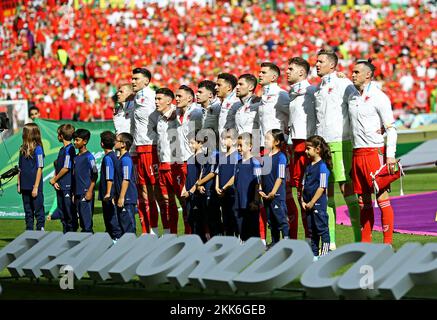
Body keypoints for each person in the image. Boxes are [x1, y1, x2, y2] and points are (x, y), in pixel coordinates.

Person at [314, 49, 362, 248]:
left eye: (321, 61)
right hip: (322, 146)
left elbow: (359, 100)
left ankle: (360, 239)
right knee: (326, 193)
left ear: (332, 65)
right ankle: (331, 241)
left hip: (341, 143)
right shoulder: (318, 89)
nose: (316, 64)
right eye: (316, 61)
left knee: (346, 190)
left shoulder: (343, 83)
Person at [350, 60, 398, 244]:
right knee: (363, 201)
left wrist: (390, 156)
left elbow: (391, 128)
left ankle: (387, 244)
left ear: (368, 75)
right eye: (352, 72)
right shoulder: (352, 96)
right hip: (357, 153)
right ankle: (366, 244)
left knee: (382, 197)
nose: (352, 75)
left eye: (356, 72)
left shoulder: (379, 97)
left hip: (374, 152)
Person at [258, 62, 290, 244]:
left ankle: (288, 237)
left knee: (283, 195)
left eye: (263, 72)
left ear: (273, 77)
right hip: (265, 150)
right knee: (267, 198)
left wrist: (286, 138)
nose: (259, 75)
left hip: (279, 148)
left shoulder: (281, 95)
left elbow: (292, 117)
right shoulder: (263, 96)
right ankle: (275, 239)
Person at [286, 56, 317, 240]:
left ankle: (319, 239)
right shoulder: (291, 94)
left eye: (291, 69)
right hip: (294, 147)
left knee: (312, 194)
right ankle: (307, 237)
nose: (287, 72)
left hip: (308, 146)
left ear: (301, 72)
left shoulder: (312, 91)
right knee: (300, 195)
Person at [131, 67, 161, 235]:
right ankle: (149, 230)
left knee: (157, 192)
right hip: (139, 149)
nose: (133, 81)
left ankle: (161, 230)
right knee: (143, 192)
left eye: (136, 78)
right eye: (132, 78)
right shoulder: (137, 96)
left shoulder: (151, 97)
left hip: (151, 147)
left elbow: (158, 119)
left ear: (147, 81)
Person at [175, 84, 203, 234]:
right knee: (187, 201)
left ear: (190, 98)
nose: (176, 98)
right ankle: (191, 233)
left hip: (194, 160)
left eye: (180, 96)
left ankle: (203, 234)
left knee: (196, 199)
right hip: (183, 160)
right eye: (176, 96)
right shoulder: (178, 114)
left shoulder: (196, 113)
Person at [155, 88, 182, 234]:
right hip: (163, 163)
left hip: (176, 164)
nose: (156, 102)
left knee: (183, 200)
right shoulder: (159, 117)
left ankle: (191, 235)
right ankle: (170, 234)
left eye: (159, 99)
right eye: (156, 99)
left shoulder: (177, 114)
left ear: (168, 100)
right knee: (167, 202)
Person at [301, 135, 332, 261]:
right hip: (307, 205)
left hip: (317, 204)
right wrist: (303, 201)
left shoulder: (322, 167)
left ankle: (325, 254)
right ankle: (314, 255)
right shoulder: (308, 166)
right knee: (312, 230)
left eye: (308, 148)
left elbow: (322, 187)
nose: (305, 151)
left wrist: (313, 202)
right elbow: (304, 184)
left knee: (321, 229)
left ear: (317, 149)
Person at [259, 129, 290, 245]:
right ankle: (275, 243)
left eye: (268, 139)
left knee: (281, 219)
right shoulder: (265, 157)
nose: (265, 141)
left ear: (276, 142)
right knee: (271, 221)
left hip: (276, 195)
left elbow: (280, 177)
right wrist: (261, 189)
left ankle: (287, 242)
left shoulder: (281, 157)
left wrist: (273, 192)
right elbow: (262, 176)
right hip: (266, 195)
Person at [49, 124, 78, 232]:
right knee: (62, 212)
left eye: (58, 134)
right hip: (60, 185)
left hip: (68, 185)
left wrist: (55, 179)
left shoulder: (69, 149)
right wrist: (56, 180)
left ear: (61, 136)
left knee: (69, 211)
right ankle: (65, 233)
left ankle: (72, 234)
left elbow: (66, 168)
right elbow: (58, 165)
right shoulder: (62, 149)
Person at [234, 132, 262, 242]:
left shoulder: (255, 162)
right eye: (238, 145)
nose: (239, 148)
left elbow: (258, 182)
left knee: (253, 230)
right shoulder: (238, 163)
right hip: (239, 203)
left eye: (241, 145)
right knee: (241, 229)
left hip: (250, 203)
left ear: (250, 146)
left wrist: (255, 200)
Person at [17, 123, 45, 231]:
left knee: (38, 211)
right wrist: (19, 184)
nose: (23, 133)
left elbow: (40, 168)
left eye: (25, 131)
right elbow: (20, 168)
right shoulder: (22, 149)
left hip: (35, 187)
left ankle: (40, 231)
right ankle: (29, 232)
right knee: (28, 212)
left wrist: (36, 187)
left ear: (31, 134)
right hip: (24, 186)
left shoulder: (38, 149)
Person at [215, 128, 241, 236]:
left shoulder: (237, 156)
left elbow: (235, 175)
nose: (224, 141)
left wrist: (225, 187)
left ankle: (239, 240)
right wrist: (217, 186)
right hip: (222, 193)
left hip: (232, 193)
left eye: (227, 138)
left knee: (234, 217)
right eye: (223, 138)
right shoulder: (222, 157)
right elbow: (217, 172)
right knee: (225, 218)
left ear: (234, 140)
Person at [182, 131, 206, 242]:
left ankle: (202, 243)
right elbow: (188, 176)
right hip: (188, 194)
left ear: (200, 143)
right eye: (189, 143)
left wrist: (191, 191)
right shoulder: (191, 158)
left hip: (196, 194)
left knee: (198, 222)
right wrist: (184, 189)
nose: (190, 145)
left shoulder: (201, 157)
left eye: (192, 143)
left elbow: (201, 176)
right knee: (190, 219)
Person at [72, 128, 98, 233]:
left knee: (87, 224)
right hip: (77, 193)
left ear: (85, 141)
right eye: (74, 139)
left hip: (86, 193)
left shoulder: (89, 157)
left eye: (77, 140)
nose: (75, 142)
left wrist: (90, 191)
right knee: (81, 222)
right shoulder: (76, 157)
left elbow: (95, 174)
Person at [99, 131, 122, 241]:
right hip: (113, 192)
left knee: (110, 217)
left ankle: (116, 237)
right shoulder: (114, 156)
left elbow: (109, 176)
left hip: (109, 194)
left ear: (102, 144)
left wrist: (108, 193)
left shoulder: (108, 158)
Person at [114, 132, 138, 235]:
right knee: (122, 227)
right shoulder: (119, 158)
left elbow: (126, 179)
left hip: (127, 198)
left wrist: (122, 197)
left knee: (129, 229)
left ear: (123, 144)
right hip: (122, 197)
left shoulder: (126, 159)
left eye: (117, 140)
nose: (114, 142)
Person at [216, 73, 239, 140]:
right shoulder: (219, 104)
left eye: (219, 85)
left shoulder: (236, 103)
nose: (216, 87)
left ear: (229, 87)